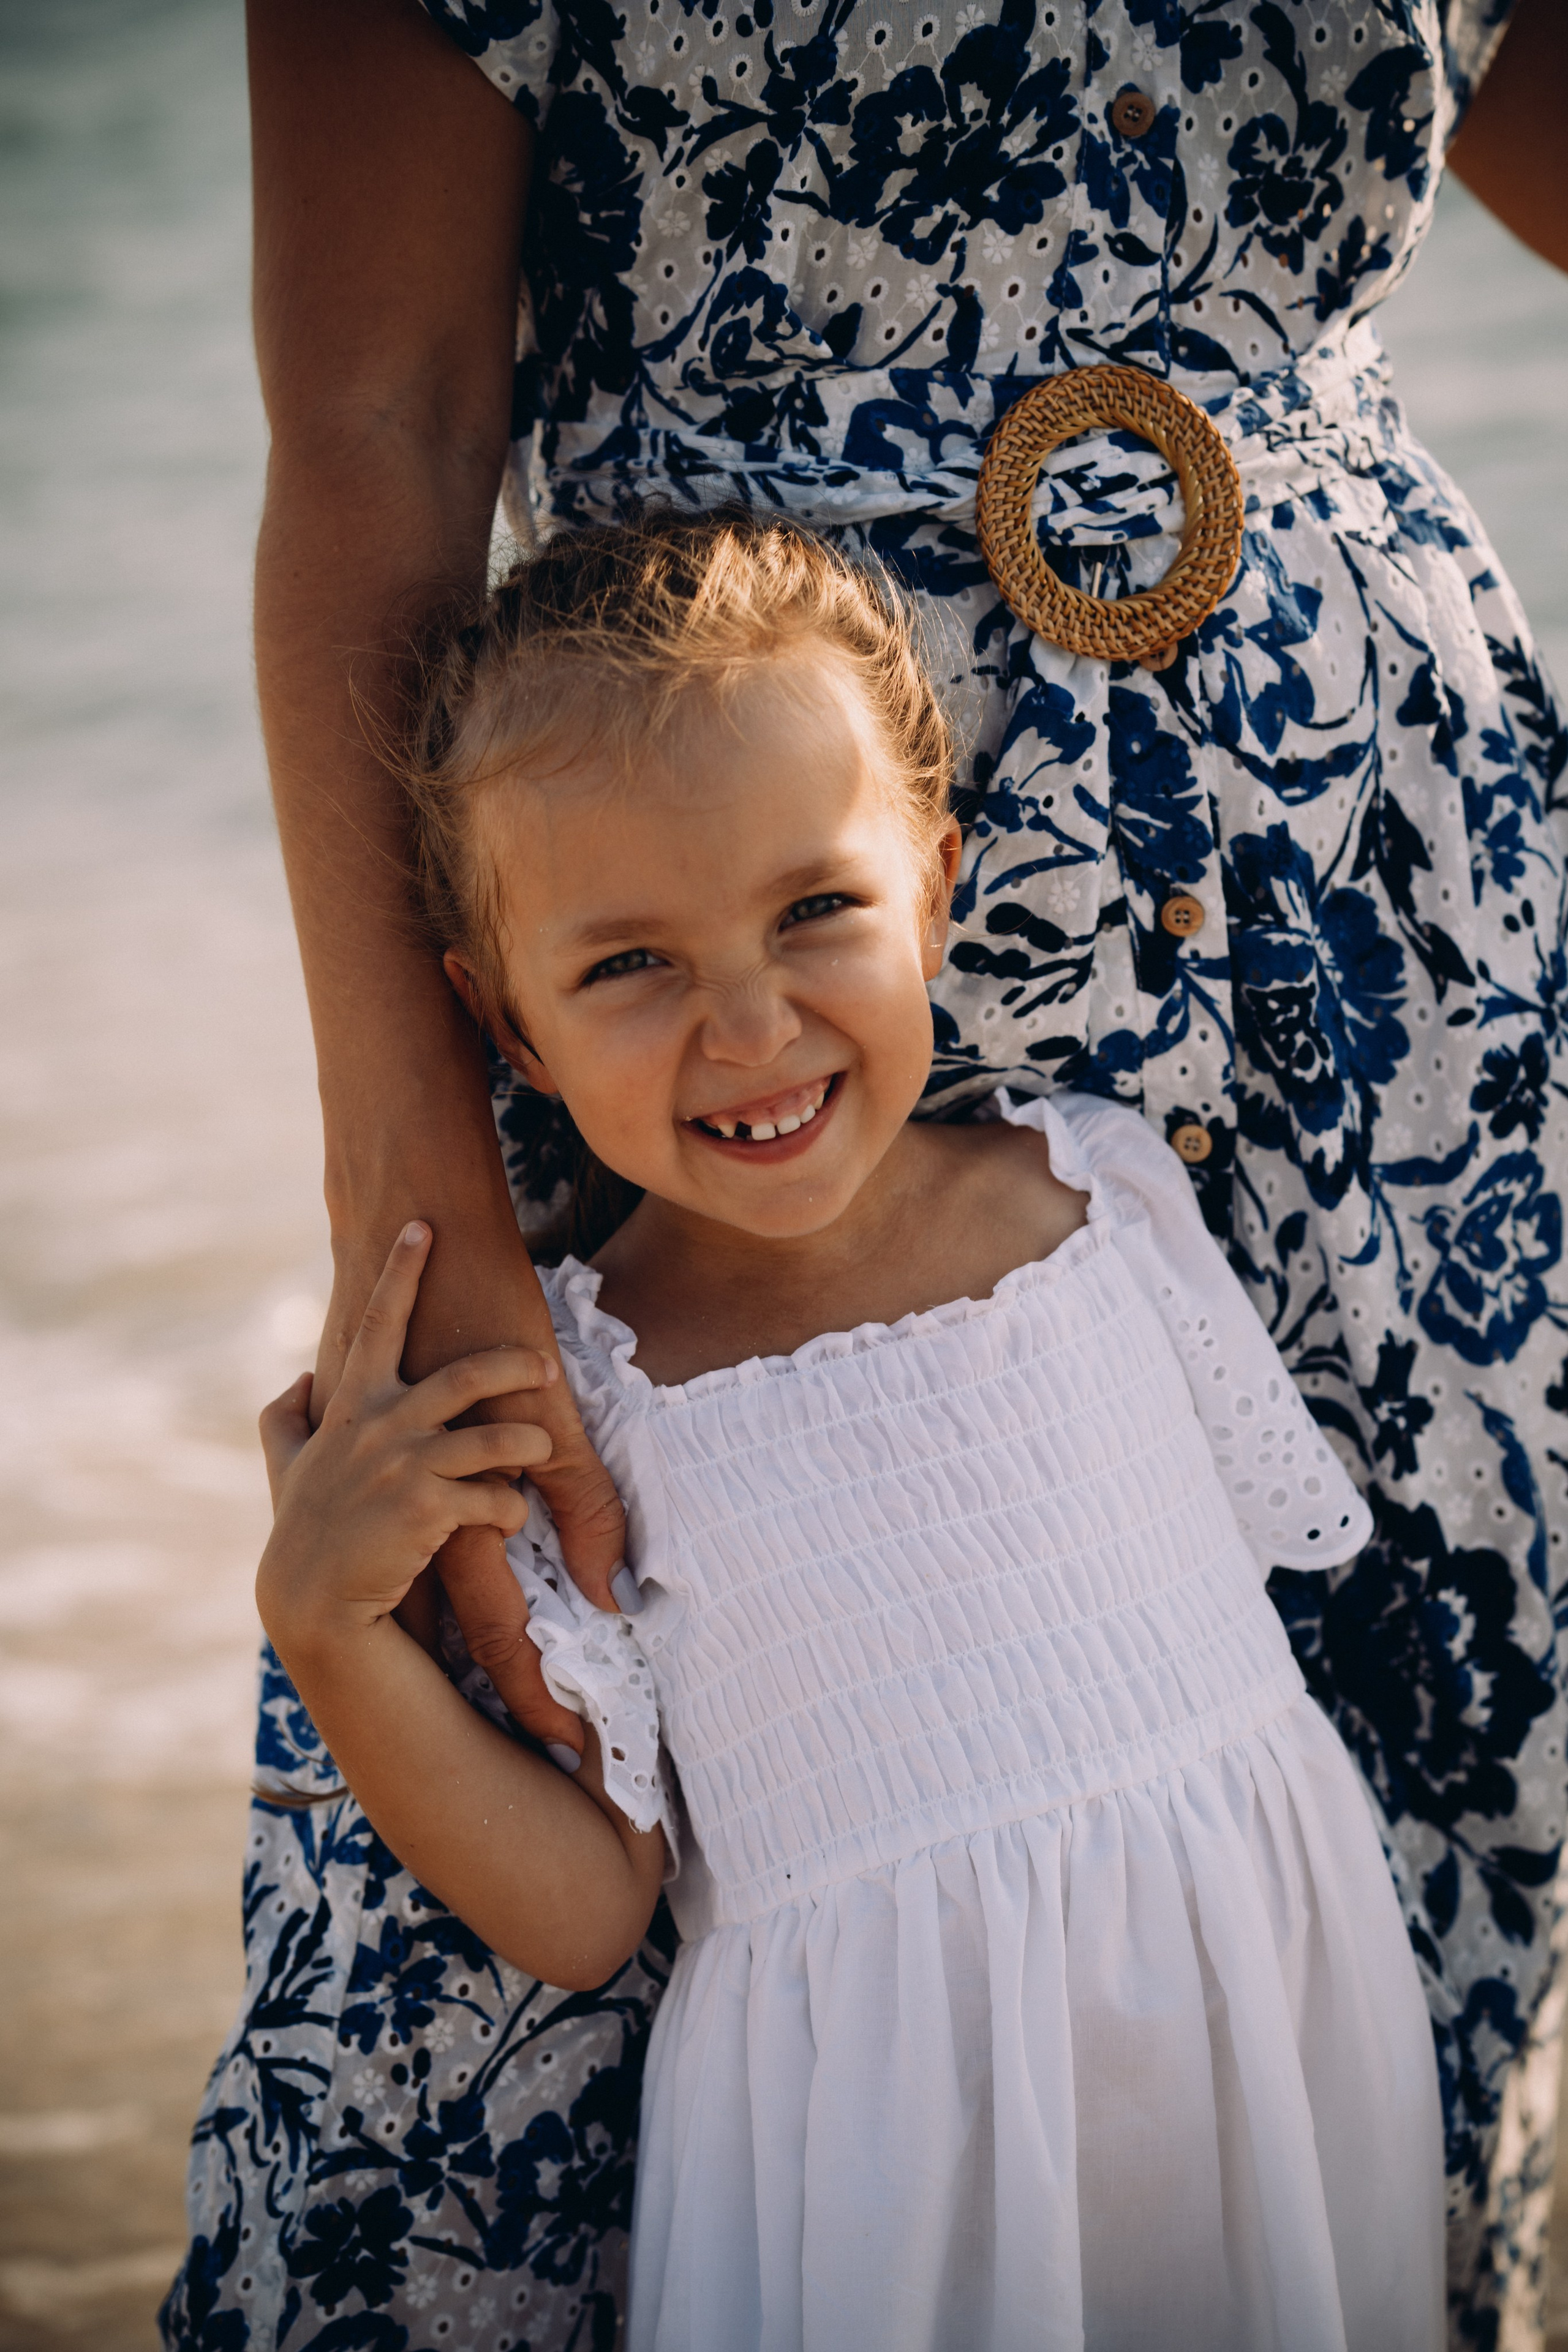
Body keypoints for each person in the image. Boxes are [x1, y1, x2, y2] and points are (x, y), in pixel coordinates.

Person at [175, 0, 1567, 2340]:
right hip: (682, 773)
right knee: (448, 2101)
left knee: (1455, 1807)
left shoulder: (1087, 1199)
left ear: (944, 875)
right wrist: (412, 1189)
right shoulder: (667, 1121)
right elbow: (373, 421)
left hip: (1384, 908)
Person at [258, 509, 1444, 2351]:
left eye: (817, 909)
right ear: (507, 1027)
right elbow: (587, 1914)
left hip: (1253, 2027)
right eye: (629, 966)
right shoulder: (575, 1402)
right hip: (886, 2161)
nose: (750, 1023)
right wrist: (331, 1633)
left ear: (940, 888)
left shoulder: (1097, 1197)